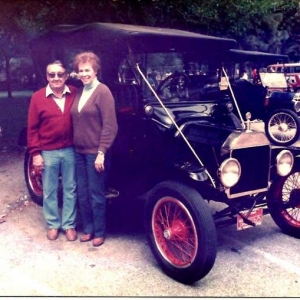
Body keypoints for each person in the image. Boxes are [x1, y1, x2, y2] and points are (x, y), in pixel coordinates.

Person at [71, 52, 118, 247]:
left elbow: (110, 125)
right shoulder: (80, 91)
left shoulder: (103, 91)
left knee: (96, 193)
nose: (84, 74)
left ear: (95, 70)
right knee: (82, 192)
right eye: (80, 71)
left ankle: (99, 231)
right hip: (79, 152)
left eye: (87, 70)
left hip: (95, 154)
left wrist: (101, 152)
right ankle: (88, 228)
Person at [27, 60, 78, 241]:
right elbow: (32, 129)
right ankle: (53, 224)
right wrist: (35, 153)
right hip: (48, 151)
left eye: (60, 74)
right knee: (49, 189)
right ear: (47, 76)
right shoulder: (38, 97)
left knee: (70, 188)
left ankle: (69, 225)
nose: (56, 78)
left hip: (70, 150)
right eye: (52, 74)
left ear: (65, 76)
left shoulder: (74, 93)